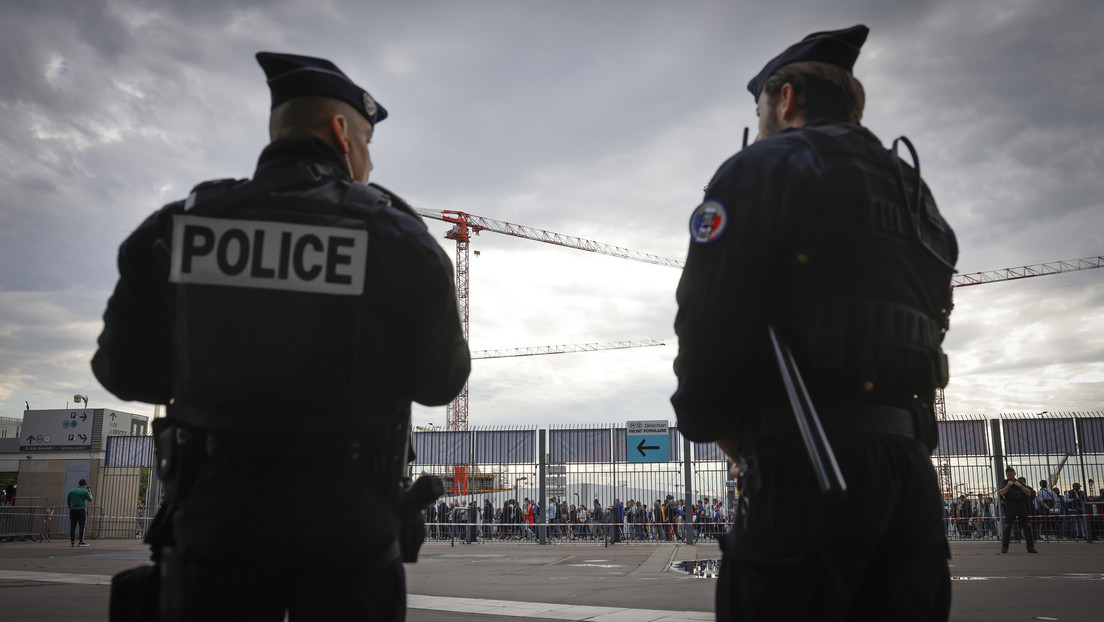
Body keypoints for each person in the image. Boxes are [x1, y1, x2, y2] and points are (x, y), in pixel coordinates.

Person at [92, 52, 470, 621]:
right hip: (352, 539)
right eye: (368, 141)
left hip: (213, 529)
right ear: (341, 133)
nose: (368, 160)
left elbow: (122, 372)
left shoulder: (179, 229)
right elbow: (441, 381)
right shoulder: (393, 235)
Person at [671, 24, 957, 621]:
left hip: (805, 465)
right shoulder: (915, 193)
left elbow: (707, 316)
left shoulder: (761, 168)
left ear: (786, 99)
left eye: (761, 106)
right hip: (907, 469)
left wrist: (715, 427)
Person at [999, 467, 1037, 554]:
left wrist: (1019, 485)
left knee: (1027, 526)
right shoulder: (1004, 483)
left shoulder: (1020, 483)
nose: (1009, 475)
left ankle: (1030, 547)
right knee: (1007, 527)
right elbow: (1002, 492)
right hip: (1010, 506)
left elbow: (1029, 493)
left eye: (1010, 473)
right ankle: (1004, 547)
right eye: (1007, 473)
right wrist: (1009, 485)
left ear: (1014, 473)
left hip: (1020, 505)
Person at [66, 479, 93, 547]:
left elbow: (68, 501)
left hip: (73, 510)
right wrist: (89, 490)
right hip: (81, 510)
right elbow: (90, 499)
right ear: (84, 485)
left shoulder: (71, 491)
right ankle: (81, 541)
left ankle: (72, 542)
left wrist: (71, 507)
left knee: (73, 526)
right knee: (82, 526)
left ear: (78, 483)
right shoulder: (85, 491)